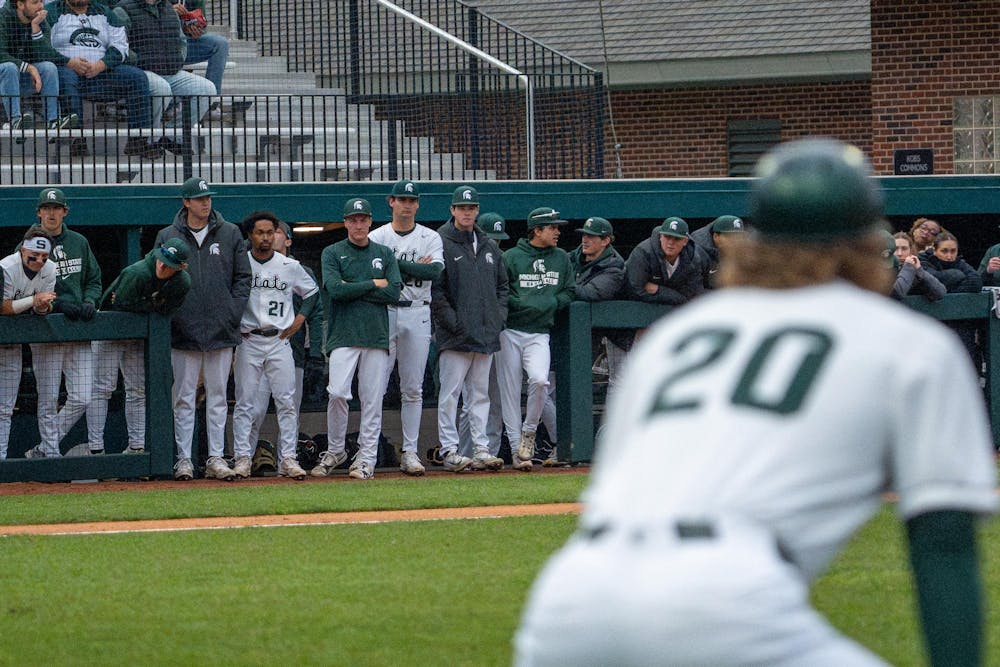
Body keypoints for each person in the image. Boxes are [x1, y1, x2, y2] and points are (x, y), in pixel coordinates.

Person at [514, 137, 998, 667]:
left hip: (569, 600)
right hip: (726, 595)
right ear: (868, 240)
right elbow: (945, 545)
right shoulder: (907, 344)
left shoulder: (685, 334)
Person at [154, 176, 250, 481]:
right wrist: (175, 314)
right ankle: (184, 459)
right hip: (184, 329)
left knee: (218, 396)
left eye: (207, 197)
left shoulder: (231, 232)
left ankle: (215, 458)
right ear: (186, 202)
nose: (205, 203)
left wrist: (231, 313)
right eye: (198, 198)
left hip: (221, 330)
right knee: (182, 396)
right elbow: (158, 278)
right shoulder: (168, 235)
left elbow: (243, 278)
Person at [310, 197, 401, 481]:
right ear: (346, 222)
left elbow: (394, 292)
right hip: (343, 334)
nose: (358, 224)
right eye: (353, 219)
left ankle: (366, 458)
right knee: (337, 392)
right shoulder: (332, 252)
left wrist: (355, 288)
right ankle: (336, 449)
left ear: (370, 221)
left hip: (376, 335)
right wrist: (374, 283)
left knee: (372, 400)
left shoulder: (384, 253)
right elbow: (336, 291)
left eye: (363, 219)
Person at [230, 211, 317, 481]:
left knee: (286, 402)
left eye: (270, 232)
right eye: (260, 233)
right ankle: (243, 457)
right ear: (250, 235)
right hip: (249, 338)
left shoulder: (288, 265)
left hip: (279, 340)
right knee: (245, 403)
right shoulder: (241, 263)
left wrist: (299, 321)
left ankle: (288, 458)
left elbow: (312, 292)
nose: (266, 237)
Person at [86, 237, 191, 455]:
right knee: (102, 388)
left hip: (137, 336)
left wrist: (145, 305)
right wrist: (153, 304)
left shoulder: (182, 282)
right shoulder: (138, 272)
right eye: (162, 260)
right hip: (109, 331)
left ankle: (137, 447)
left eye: (169, 264)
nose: (162, 266)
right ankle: (95, 449)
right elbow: (121, 304)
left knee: (137, 390)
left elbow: (167, 310)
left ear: (181, 267)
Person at [368, 179, 443, 477]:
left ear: (417, 204)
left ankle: (409, 452)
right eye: (402, 200)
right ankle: (368, 452)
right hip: (384, 312)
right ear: (391, 202)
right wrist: (412, 266)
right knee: (376, 386)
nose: (407, 205)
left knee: (413, 388)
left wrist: (393, 265)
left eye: (412, 201)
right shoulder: (377, 236)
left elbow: (434, 271)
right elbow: (373, 276)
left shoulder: (430, 237)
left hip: (417, 312)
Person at [432, 186, 508, 472]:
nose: (467, 212)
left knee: (480, 395)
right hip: (456, 335)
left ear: (477, 210)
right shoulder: (440, 240)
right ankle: (449, 449)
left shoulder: (488, 243)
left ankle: (481, 449)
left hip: (486, 332)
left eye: (472, 208)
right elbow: (437, 292)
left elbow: (503, 286)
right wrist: (454, 323)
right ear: (452, 210)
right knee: (450, 394)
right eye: (462, 208)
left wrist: (498, 317)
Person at [24, 187, 102, 459]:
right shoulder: (29, 243)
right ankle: (51, 457)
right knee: (47, 399)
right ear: (39, 212)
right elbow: (26, 288)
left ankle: (44, 448)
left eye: (56, 208)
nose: (51, 213)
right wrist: (56, 305)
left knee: (83, 397)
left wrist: (91, 300)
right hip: (46, 328)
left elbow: (93, 279)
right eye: (46, 208)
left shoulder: (78, 241)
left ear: (65, 211)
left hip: (78, 329)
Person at [498, 206, 574, 471]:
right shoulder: (512, 256)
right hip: (510, 331)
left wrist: (549, 302)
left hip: (540, 332)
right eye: (552, 227)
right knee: (508, 392)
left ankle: (529, 431)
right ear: (536, 230)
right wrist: (527, 304)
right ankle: (518, 450)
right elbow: (503, 292)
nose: (557, 232)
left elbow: (569, 291)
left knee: (540, 381)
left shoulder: (562, 258)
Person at [45, 0, 161, 159]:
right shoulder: (51, 12)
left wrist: (102, 64)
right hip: (68, 70)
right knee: (65, 77)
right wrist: (69, 62)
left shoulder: (106, 13)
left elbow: (120, 46)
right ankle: (76, 139)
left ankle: (138, 141)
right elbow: (42, 46)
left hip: (101, 73)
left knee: (137, 77)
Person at [246, 220, 323, 458]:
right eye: (266, 232)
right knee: (254, 410)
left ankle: (286, 461)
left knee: (289, 408)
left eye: (277, 232)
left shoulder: (298, 269)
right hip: (255, 343)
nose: (271, 236)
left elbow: (316, 310)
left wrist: (315, 352)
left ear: (287, 240)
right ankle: (245, 458)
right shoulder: (247, 265)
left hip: (292, 350)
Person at [116, 0, 214, 155]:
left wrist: (178, 60)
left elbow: (181, 41)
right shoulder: (123, 9)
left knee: (207, 89)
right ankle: (146, 141)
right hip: (140, 72)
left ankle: (171, 136)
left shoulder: (168, 8)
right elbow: (119, 45)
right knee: (162, 88)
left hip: (170, 71)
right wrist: (140, 62)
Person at [0, 226, 57, 460]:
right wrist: (33, 300)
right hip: (4, 331)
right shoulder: (6, 267)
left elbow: (45, 308)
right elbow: (2, 307)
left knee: (4, 407)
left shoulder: (50, 269)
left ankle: (1, 458)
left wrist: (43, 306)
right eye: (34, 256)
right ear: (23, 250)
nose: (39, 261)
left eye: (44, 257)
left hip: (12, 343)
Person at [568, 216, 628, 393]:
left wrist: (563, 284)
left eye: (592, 236)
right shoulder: (572, 256)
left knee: (617, 383)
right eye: (584, 235)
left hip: (610, 334)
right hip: (571, 330)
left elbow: (591, 293)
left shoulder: (615, 266)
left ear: (606, 241)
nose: (585, 239)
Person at [0, 0, 78, 130]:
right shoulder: (2, 18)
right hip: (4, 75)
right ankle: (15, 120)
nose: (41, 6)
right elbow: (0, 54)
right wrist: (28, 67)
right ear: (20, 4)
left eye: (41, 1)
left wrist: (35, 28)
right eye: (35, 2)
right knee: (9, 67)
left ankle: (52, 120)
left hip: (21, 78)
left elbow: (46, 54)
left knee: (49, 67)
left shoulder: (39, 19)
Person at [918, 231, 983, 367]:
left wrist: (949, 291)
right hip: (930, 322)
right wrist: (958, 275)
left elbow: (976, 281)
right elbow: (932, 279)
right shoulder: (923, 260)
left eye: (953, 251)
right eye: (944, 251)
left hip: (958, 322)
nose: (949, 256)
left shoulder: (959, 262)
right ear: (934, 250)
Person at [625, 215, 711, 305]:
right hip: (640, 309)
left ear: (685, 241)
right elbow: (635, 291)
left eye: (677, 238)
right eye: (667, 237)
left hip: (677, 312)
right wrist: (675, 296)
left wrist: (658, 289)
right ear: (660, 237)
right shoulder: (643, 252)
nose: (670, 243)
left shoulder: (693, 258)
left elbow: (693, 295)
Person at [171, 0, 226, 96]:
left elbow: (202, 25)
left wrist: (197, 30)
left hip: (186, 43)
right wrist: (169, 12)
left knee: (220, 44)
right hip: (164, 45)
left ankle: (211, 98)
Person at [888, 230, 945, 301]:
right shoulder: (882, 270)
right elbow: (896, 294)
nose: (899, 253)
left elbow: (940, 293)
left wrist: (919, 270)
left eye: (904, 249)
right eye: (895, 249)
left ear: (910, 251)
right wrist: (908, 267)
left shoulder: (914, 270)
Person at [689, 213, 746, 282]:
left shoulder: (745, 248)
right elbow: (694, 287)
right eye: (729, 236)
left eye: (738, 237)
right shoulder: (698, 251)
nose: (735, 241)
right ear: (716, 236)